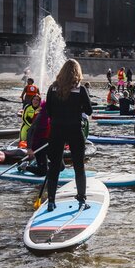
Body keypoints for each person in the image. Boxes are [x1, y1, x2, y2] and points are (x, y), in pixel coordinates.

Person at [44, 59, 93, 212]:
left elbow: (48, 110)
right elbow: (89, 110)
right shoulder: (80, 89)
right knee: (79, 166)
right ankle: (82, 199)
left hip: (56, 130)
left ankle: (51, 201)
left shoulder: (52, 88)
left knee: (54, 166)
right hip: (74, 130)